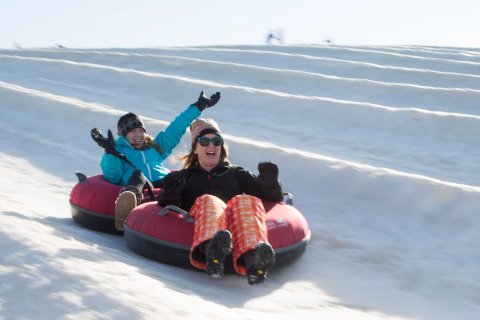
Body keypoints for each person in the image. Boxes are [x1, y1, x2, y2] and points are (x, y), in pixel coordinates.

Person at [157, 118, 284, 285]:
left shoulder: (236, 173)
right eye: (204, 141)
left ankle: (254, 260)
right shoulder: (185, 177)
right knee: (211, 201)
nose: (211, 145)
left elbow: (267, 199)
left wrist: (270, 184)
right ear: (195, 148)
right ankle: (213, 251)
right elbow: (167, 207)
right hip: (202, 215)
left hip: (234, 221)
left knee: (245, 200)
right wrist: (171, 191)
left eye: (217, 141)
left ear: (221, 146)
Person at [91, 91, 221, 231]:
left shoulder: (154, 147)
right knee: (138, 175)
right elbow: (113, 176)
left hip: (164, 186)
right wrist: (110, 152)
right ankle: (127, 204)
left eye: (141, 130)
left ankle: (210, 211)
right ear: (124, 135)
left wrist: (198, 106)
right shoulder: (118, 151)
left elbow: (174, 129)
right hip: (143, 188)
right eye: (133, 132)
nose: (138, 135)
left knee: (185, 174)